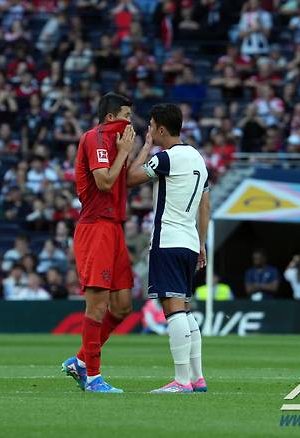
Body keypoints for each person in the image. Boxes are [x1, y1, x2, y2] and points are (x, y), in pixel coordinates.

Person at [126, 103, 210, 394]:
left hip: (168, 240)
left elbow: (129, 179)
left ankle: (181, 381)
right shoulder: (198, 158)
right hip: (188, 241)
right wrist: (201, 243)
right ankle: (198, 378)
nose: (149, 130)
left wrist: (145, 147)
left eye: (150, 126)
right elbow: (205, 204)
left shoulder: (166, 158)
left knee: (173, 311)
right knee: (185, 309)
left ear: (161, 129)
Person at [61, 93, 137, 393]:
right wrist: (125, 152)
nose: (130, 122)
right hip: (95, 229)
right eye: (126, 116)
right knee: (97, 306)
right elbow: (105, 181)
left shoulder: (118, 144)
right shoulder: (95, 139)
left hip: (114, 228)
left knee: (122, 307)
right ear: (110, 118)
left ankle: (80, 361)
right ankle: (93, 377)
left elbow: (125, 179)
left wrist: (142, 153)